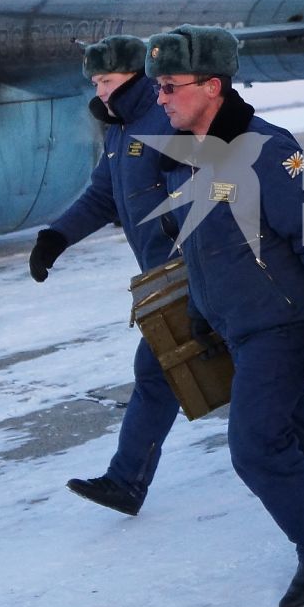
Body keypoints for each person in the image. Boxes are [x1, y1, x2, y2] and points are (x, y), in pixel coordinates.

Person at [145, 25, 304, 607]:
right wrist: (201, 311)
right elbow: (200, 247)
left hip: (283, 323)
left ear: (213, 86)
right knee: (297, 432)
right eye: (158, 87)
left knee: (255, 446)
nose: (161, 97)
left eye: (171, 86)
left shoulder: (270, 149)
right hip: (236, 325)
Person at [28, 35, 184, 516]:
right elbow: (102, 197)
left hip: (195, 273)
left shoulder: (166, 122)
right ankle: (127, 481)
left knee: (245, 384)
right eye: (96, 82)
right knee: (168, 374)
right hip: (166, 278)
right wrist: (56, 238)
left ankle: (127, 480)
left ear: (137, 76)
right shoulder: (120, 131)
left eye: (108, 80)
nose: (99, 91)